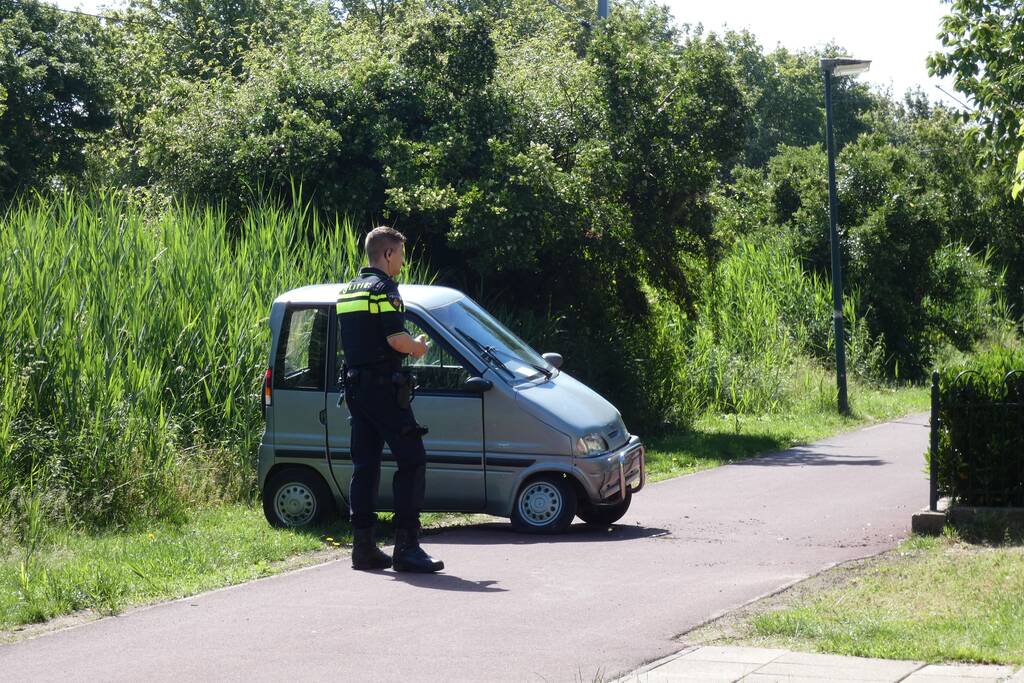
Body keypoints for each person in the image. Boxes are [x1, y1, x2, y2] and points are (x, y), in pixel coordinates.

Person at [337, 226, 444, 573]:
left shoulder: (348, 291)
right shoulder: (385, 289)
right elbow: (396, 339)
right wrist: (418, 347)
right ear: (386, 254)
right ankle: (407, 548)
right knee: (412, 459)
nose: (402, 262)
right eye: (400, 254)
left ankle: (363, 549)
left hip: (355, 389)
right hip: (383, 388)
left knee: (365, 466)